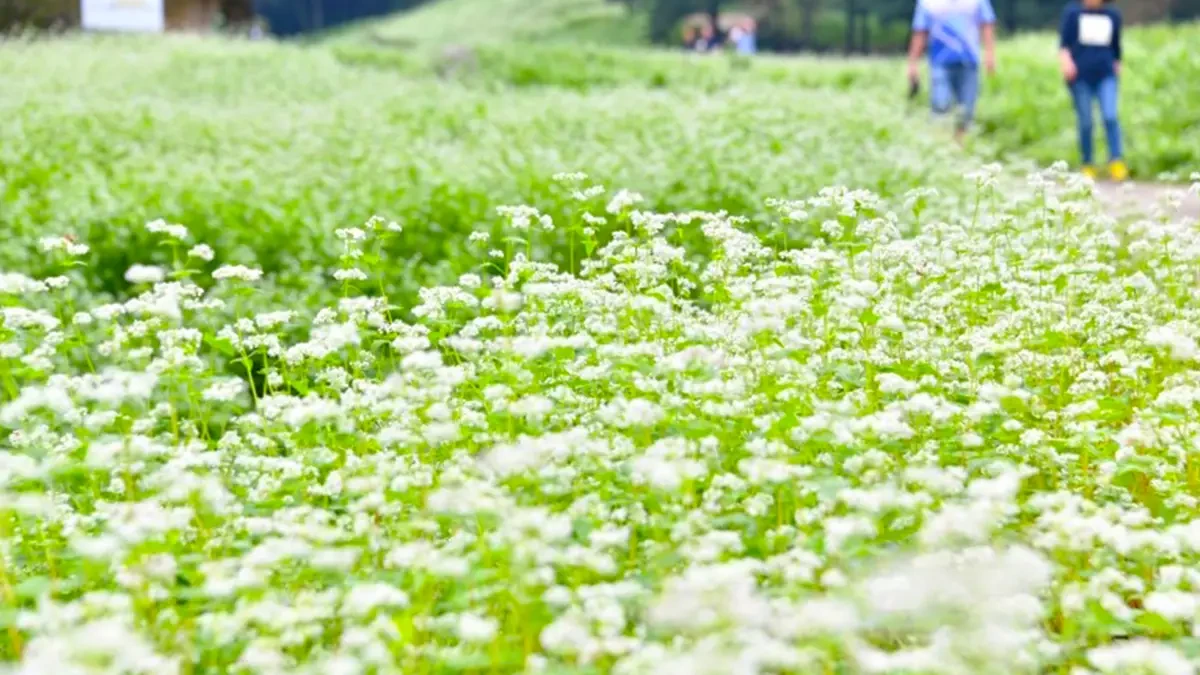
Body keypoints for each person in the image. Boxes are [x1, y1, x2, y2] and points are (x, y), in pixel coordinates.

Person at [906, 0, 998, 143]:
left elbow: (986, 24)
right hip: (939, 62)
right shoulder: (927, 3)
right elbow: (920, 32)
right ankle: (941, 146)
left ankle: (961, 148)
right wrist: (913, 64)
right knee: (940, 105)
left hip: (969, 60)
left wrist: (990, 54)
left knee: (966, 110)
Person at [1059, 0, 1127, 181]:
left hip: (1106, 75)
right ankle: (1087, 163)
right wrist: (1066, 64)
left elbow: (1116, 48)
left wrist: (1118, 67)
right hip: (1080, 77)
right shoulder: (1073, 13)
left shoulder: (1112, 15)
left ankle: (1116, 161)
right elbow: (1064, 45)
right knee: (1086, 121)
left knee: (1110, 116)